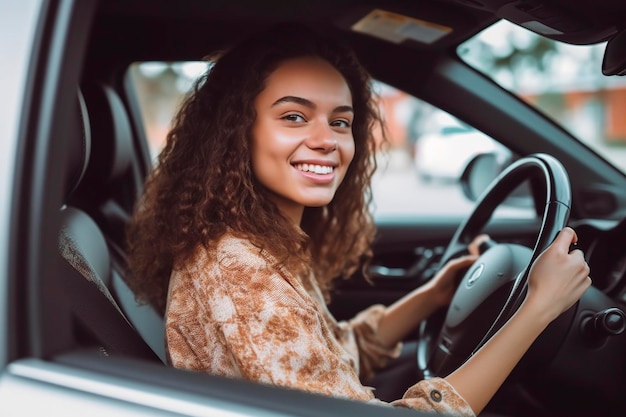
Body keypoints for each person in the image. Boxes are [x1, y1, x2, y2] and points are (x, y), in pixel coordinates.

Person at [126, 23, 591, 417]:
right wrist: (537, 309)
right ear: (235, 132)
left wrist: (433, 295)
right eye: (293, 116)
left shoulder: (261, 241)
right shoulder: (237, 270)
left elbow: (331, 355)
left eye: (340, 122)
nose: (326, 140)